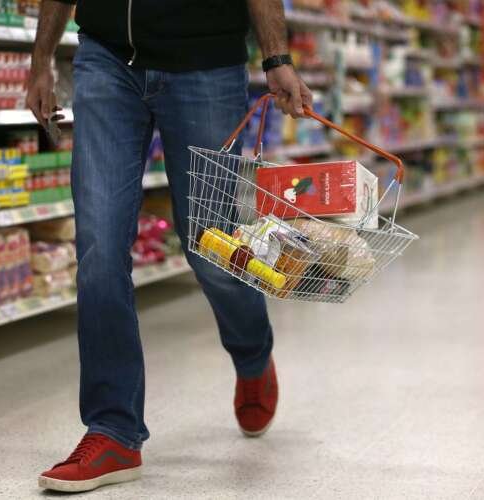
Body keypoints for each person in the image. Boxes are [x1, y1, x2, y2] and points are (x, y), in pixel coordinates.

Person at [27, 0, 313, 493]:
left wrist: (275, 56)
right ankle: (113, 429)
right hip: (106, 58)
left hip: (205, 65)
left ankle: (250, 352)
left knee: (212, 247)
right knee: (97, 245)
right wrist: (40, 60)